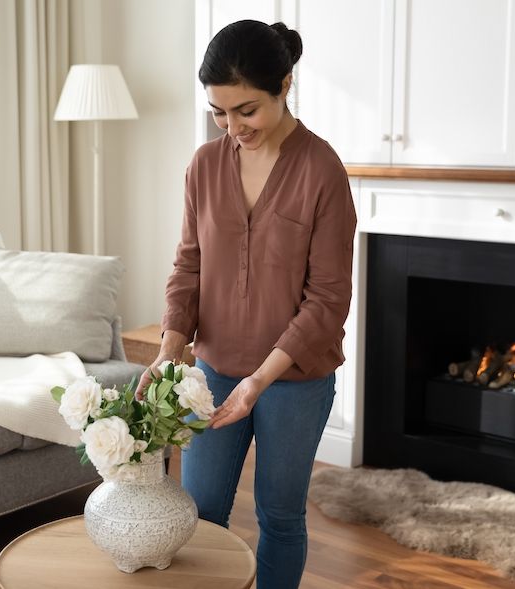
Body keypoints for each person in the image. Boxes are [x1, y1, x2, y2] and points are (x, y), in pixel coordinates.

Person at [136, 19, 357, 589]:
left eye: (247, 111)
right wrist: (169, 350)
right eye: (219, 112)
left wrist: (260, 379)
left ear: (285, 85)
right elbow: (189, 266)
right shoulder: (204, 166)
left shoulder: (321, 169)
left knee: (279, 517)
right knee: (199, 514)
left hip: (295, 379)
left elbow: (329, 299)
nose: (233, 127)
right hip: (211, 370)